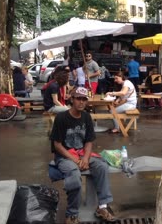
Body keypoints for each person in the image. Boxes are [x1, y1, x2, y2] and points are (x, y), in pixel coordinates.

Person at [50, 87, 116, 224]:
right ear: (72, 99)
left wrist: (85, 158)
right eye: (78, 99)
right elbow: (57, 145)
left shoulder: (86, 117)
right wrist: (74, 159)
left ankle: (102, 206)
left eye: (84, 99)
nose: (81, 102)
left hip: (81, 153)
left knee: (102, 166)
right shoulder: (61, 118)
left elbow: (89, 141)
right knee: (74, 176)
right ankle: (72, 214)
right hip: (65, 156)